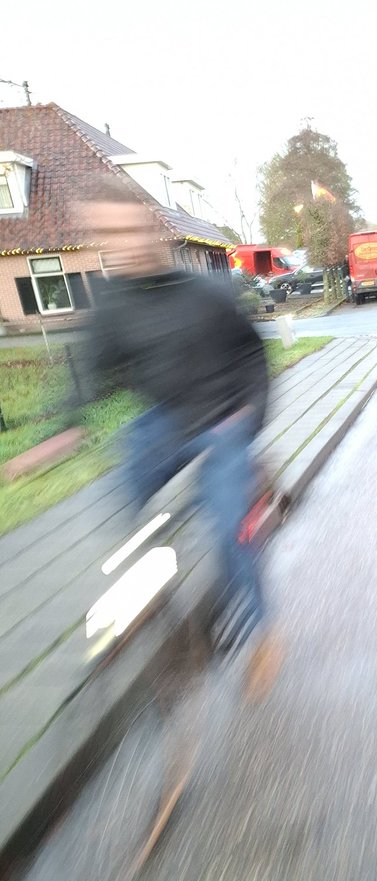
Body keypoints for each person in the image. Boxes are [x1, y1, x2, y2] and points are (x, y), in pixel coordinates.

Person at [68, 177, 282, 699]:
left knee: (228, 528)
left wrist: (248, 417)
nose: (121, 245)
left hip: (223, 414)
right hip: (165, 419)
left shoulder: (208, 292)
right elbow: (90, 371)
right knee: (122, 486)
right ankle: (148, 595)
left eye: (127, 230)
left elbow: (254, 355)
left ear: (149, 227)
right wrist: (67, 424)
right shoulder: (113, 304)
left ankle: (262, 633)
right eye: (106, 235)